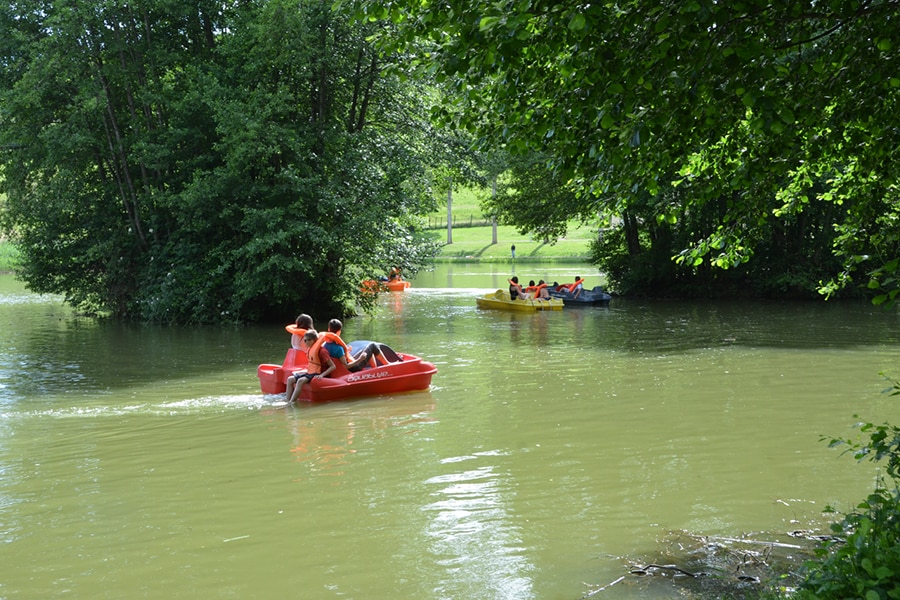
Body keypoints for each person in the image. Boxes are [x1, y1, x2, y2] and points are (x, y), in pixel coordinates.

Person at [286, 330, 336, 403]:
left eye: (308, 340)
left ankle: (291, 402)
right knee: (290, 379)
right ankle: (287, 401)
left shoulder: (322, 351)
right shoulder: (310, 349)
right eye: (305, 340)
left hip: (319, 372)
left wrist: (322, 375)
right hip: (311, 372)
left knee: (300, 381)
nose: (306, 342)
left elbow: (333, 366)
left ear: (314, 340)